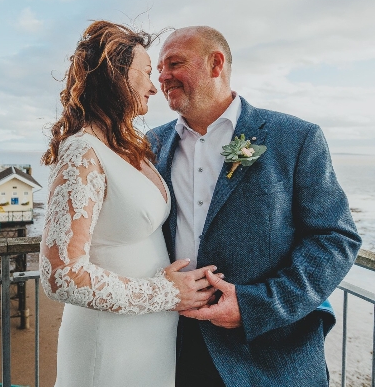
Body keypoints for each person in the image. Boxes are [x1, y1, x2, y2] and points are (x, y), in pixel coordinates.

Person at [147, 26, 362, 387]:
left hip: (270, 352)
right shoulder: (151, 145)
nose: (163, 77)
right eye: (159, 68)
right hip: (173, 346)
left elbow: (335, 237)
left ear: (216, 64)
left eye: (175, 63)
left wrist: (255, 305)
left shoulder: (295, 138)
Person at [40, 21, 218, 387]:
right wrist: (167, 292)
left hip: (150, 342)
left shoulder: (126, 147)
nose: (155, 86)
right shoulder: (81, 151)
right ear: (115, 76)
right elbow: (60, 275)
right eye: (147, 74)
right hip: (108, 344)